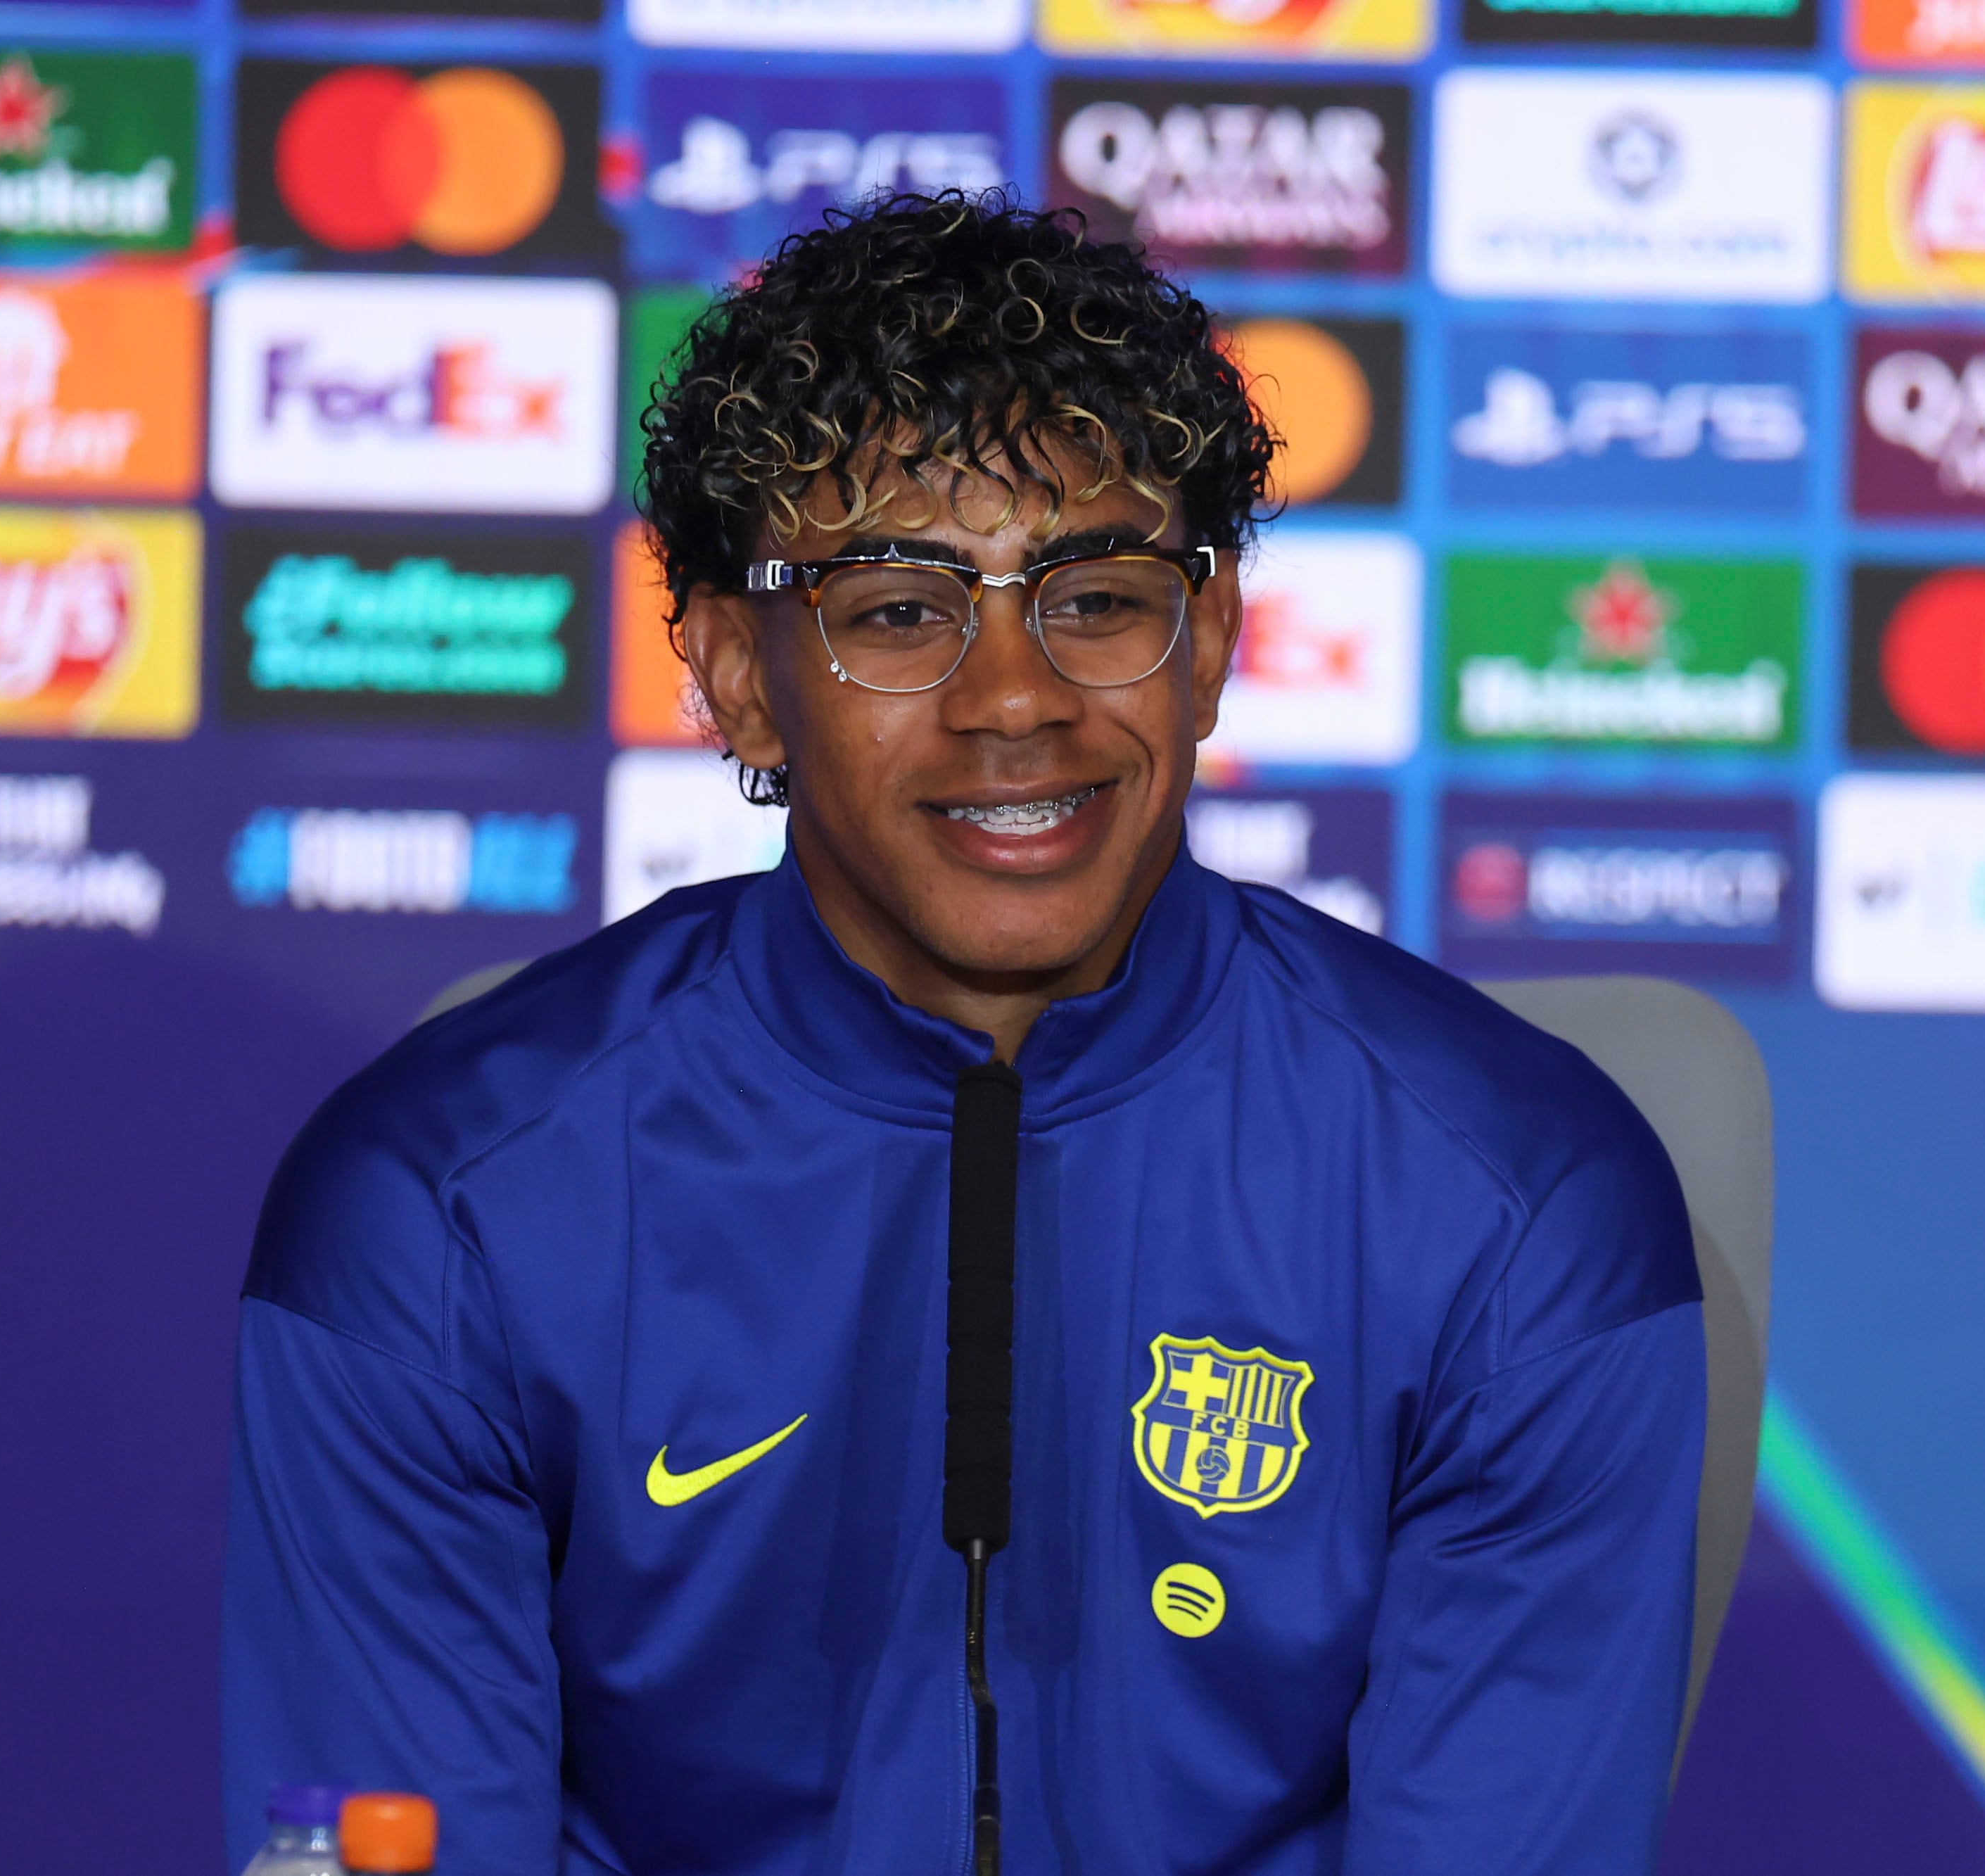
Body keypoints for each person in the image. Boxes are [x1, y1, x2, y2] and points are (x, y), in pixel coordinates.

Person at [222, 192, 1706, 1875]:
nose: (1015, 698)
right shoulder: (438, 1215)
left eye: (1096, 596)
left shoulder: (1517, 1208)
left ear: (1208, 641)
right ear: (735, 670)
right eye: (898, 611)